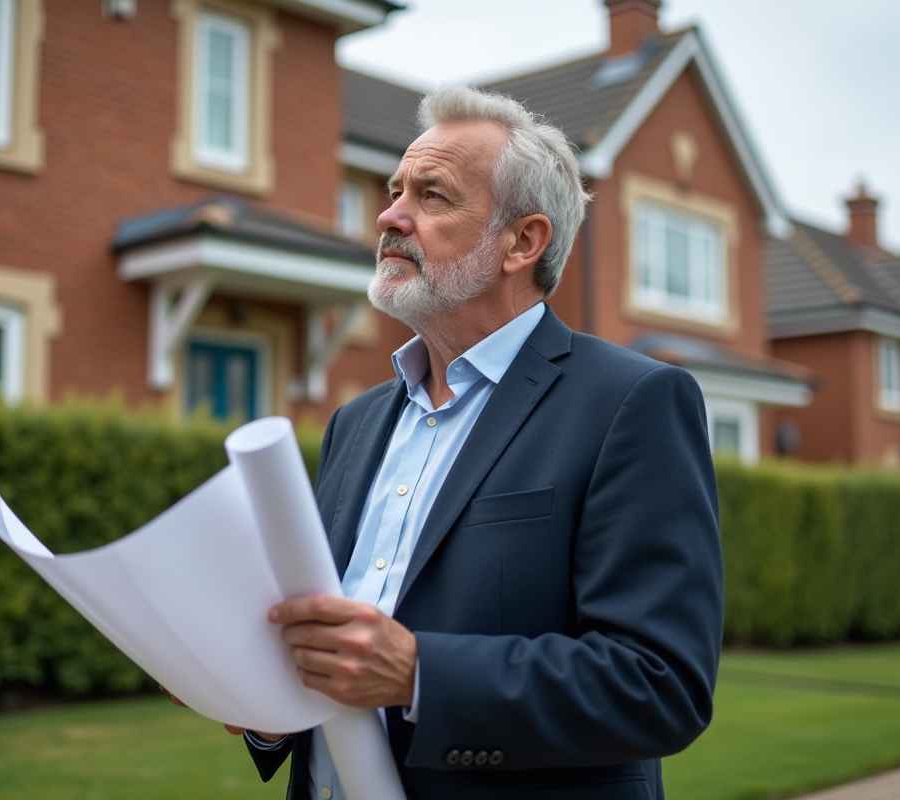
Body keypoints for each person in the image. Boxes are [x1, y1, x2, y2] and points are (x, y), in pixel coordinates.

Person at [184, 84, 724, 800]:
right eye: (395, 189)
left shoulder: (631, 403)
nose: (388, 216)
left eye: (431, 196)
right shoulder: (356, 422)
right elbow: (331, 652)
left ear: (522, 242)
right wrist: (266, 708)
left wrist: (419, 675)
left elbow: (661, 683)